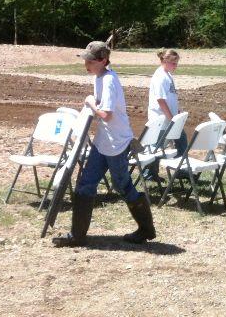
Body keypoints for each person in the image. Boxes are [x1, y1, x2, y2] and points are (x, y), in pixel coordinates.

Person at [52, 41, 156, 247]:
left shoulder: (108, 81)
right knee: (85, 185)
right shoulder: (99, 77)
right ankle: (77, 236)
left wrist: (90, 103)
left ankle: (146, 229)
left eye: (90, 60)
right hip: (103, 142)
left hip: (116, 143)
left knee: (122, 186)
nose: (86, 63)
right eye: (86, 59)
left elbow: (106, 115)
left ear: (102, 60)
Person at [144, 49, 188, 181]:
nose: (176, 66)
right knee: (157, 146)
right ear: (165, 61)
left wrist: (177, 111)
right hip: (161, 119)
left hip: (171, 118)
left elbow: (171, 97)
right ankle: (149, 173)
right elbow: (160, 100)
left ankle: (180, 169)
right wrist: (171, 117)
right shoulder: (160, 77)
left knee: (181, 141)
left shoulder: (167, 75)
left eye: (176, 63)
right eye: (173, 63)